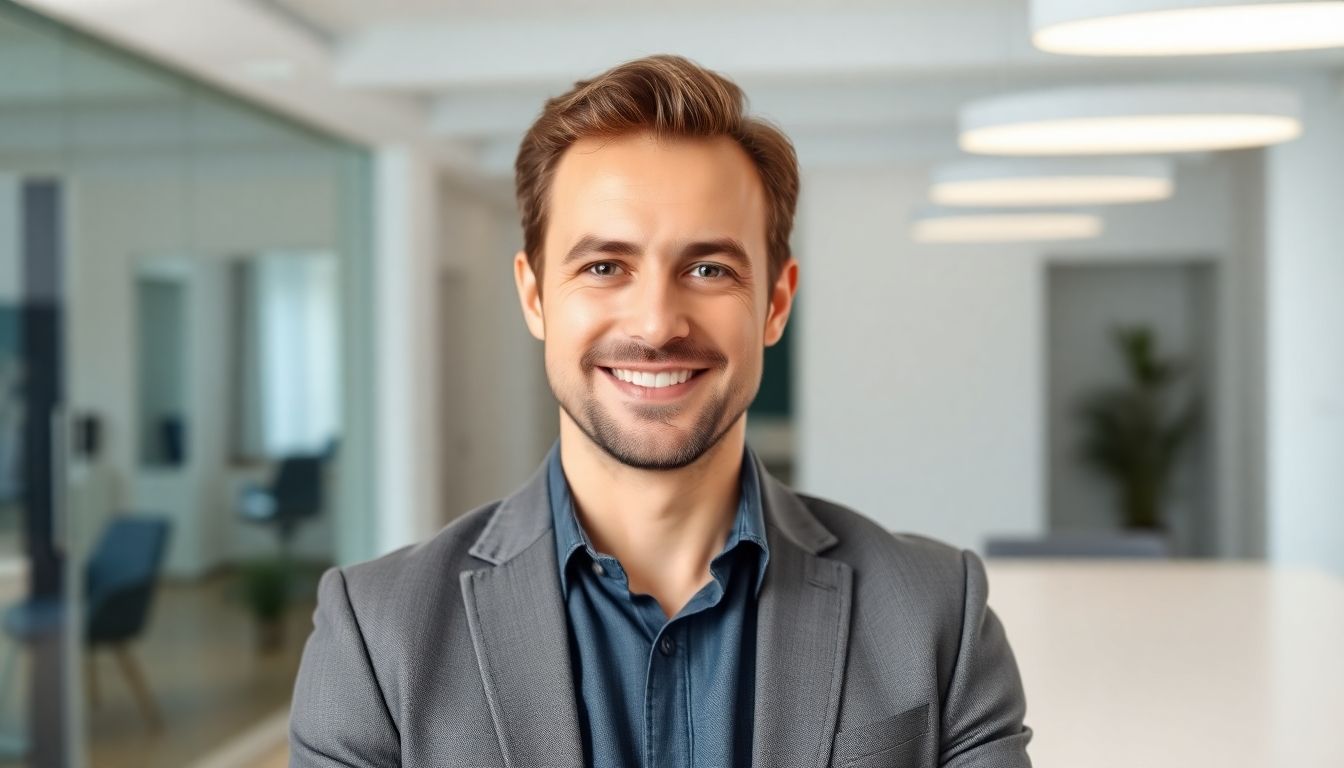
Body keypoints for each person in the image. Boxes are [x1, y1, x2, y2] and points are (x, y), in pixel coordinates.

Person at [290, 54, 1031, 768]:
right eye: (604, 267)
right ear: (534, 295)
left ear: (775, 302)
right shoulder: (376, 634)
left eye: (708, 269)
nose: (655, 324)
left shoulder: (937, 614)